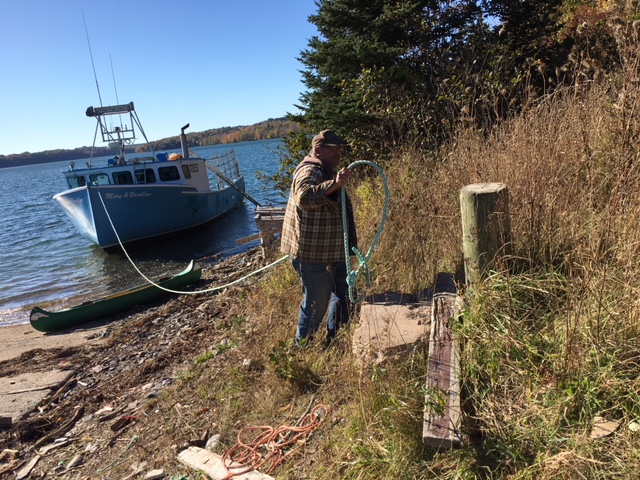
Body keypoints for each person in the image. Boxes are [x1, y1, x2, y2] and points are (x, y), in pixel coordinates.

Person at [280, 129, 358, 346]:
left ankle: (336, 340)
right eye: (334, 149)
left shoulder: (323, 169)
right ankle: (301, 347)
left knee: (344, 293)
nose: (339, 154)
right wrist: (335, 184)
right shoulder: (310, 170)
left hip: (333, 251)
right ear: (318, 150)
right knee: (316, 304)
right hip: (313, 255)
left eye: (340, 149)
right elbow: (304, 196)